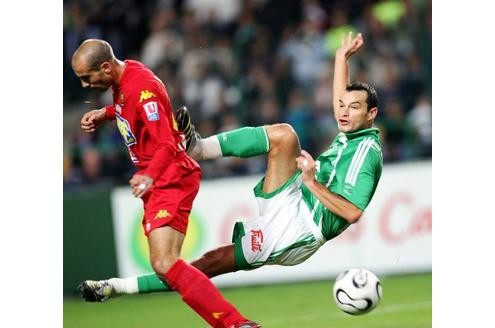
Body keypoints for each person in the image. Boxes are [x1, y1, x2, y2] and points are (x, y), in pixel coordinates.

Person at [79, 32, 382, 309]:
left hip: (301, 228)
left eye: (353, 108)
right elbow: (344, 101)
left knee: (207, 264)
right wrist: (341, 58)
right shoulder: (351, 130)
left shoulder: (368, 154)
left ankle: (115, 287)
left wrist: (311, 182)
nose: (342, 110)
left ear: (371, 115)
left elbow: (352, 212)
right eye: (342, 105)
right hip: (296, 196)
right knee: (284, 135)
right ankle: (198, 148)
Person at [71, 39, 260, 328]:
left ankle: (236, 324)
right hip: (163, 178)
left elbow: (165, 144)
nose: (85, 85)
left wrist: (150, 175)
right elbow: (130, 108)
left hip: (169, 177)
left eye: (87, 77)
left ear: (106, 67)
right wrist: (106, 114)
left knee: (165, 263)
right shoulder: (126, 76)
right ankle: (236, 324)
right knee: (166, 266)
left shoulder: (141, 89)